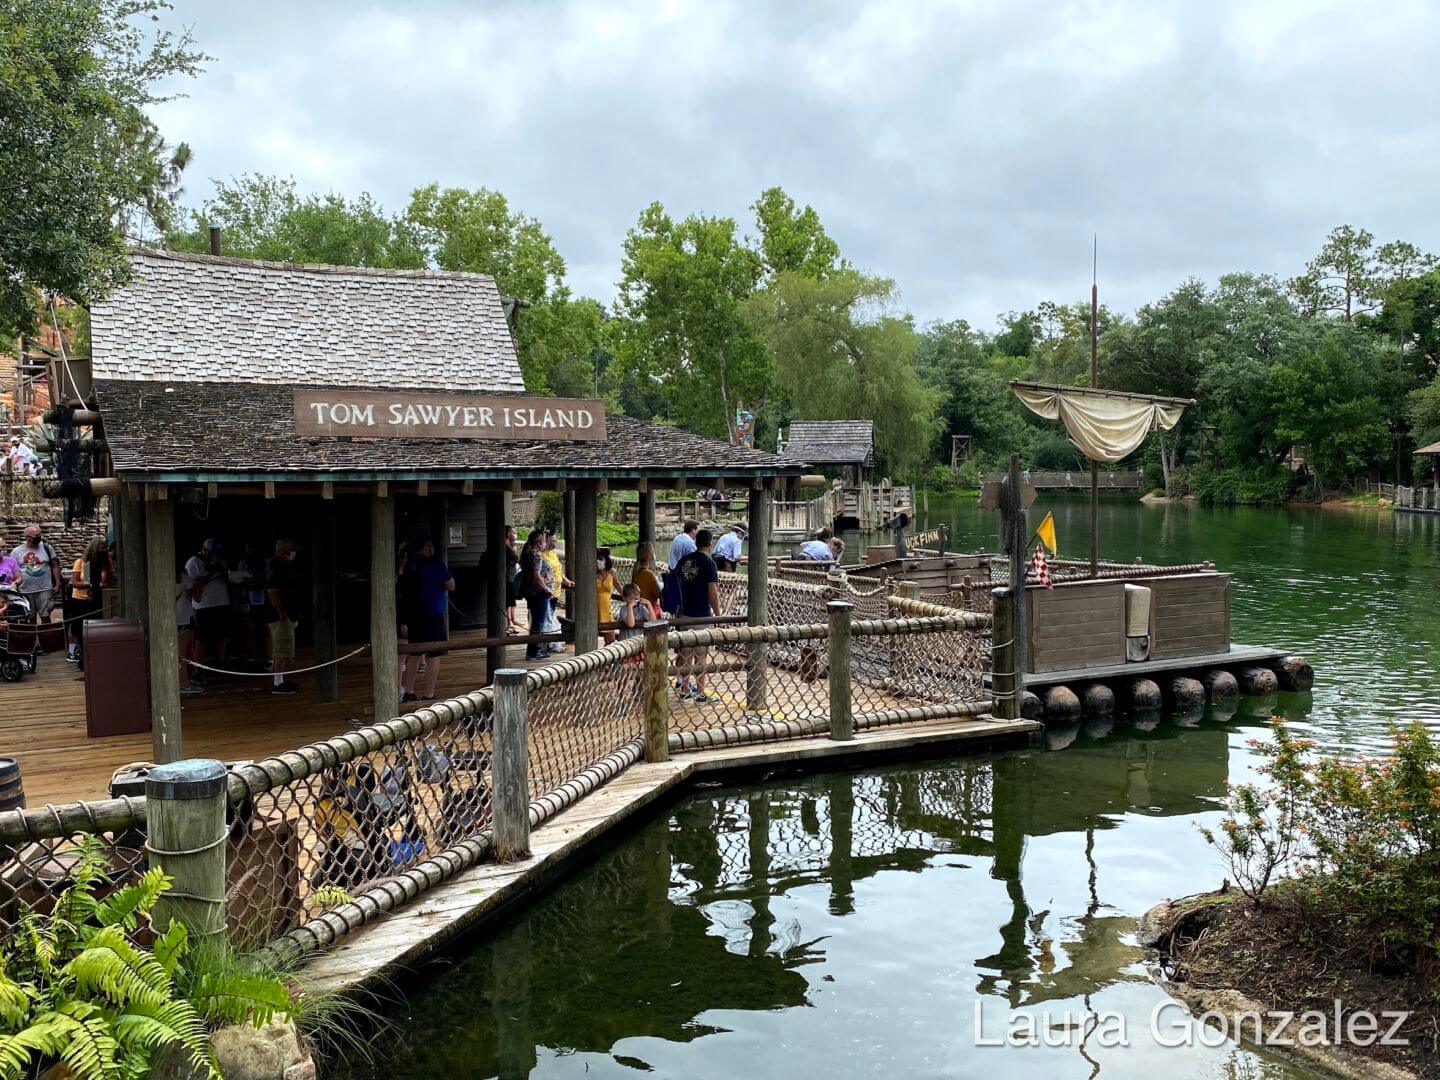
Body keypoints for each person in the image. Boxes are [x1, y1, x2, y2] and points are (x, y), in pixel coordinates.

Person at [402, 537, 454, 701]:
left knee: (415, 653)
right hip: (433, 613)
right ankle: (428, 693)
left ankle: (408, 691)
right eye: (429, 545)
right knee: (435, 654)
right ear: (425, 547)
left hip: (414, 614)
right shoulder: (435, 564)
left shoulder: (408, 564)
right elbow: (452, 585)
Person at [674, 529, 720, 702]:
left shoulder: (684, 560)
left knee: (685, 653)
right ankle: (700, 693)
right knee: (701, 655)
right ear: (710, 543)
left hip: (683, 613)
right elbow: (712, 592)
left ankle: (685, 690)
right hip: (701, 614)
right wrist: (717, 615)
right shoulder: (709, 563)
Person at [184, 538, 231, 675]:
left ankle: (220, 663)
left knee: (222, 635)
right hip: (203, 605)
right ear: (204, 550)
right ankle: (199, 667)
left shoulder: (219, 560)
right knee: (201, 638)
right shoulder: (193, 562)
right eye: (212, 553)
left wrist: (222, 571)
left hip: (222, 602)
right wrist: (210, 575)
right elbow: (192, 584)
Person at [65, 539, 112, 666]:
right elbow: (75, 582)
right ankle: (80, 654)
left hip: (96, 599)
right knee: (78, 628)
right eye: (100, 549)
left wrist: (101, 585)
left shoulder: (105, 564)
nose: (103, 551)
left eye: (104, 549)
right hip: (80, 600)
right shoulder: (80, 563)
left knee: (95, 627)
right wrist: (89, 584)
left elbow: (107, 581)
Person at [265, 538, 302, 695]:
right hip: (280, 617)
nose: (292, 553)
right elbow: (272, 593)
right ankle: (277, 683)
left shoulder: (284, 566)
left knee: (285, 650)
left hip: (287, 615)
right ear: (283, 551)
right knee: (281, 649)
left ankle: (281, 679)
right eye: (290, 550)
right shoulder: (274, 567)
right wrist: (282, 613)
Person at [10, 525, 60, 620]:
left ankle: (46, 635)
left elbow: (55, 566)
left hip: (44, 589)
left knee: (46, 616)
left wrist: (57, 584)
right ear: (28, 538)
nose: (39, 537)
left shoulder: (47, 547)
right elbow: (13, 571)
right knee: (30, 618)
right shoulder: (16, 552)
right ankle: (33, 635)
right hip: (25, 590)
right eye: (36, 535)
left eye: (39, 534)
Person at [518, 530, 552, 661]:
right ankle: (533, 651)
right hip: (538, 593)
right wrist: (546, 589)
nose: (545, 542)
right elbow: (536, 575)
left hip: (531, 592)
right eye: (544, 539)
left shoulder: (528, 553)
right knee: (538, 623)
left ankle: (534, 649)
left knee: (535, 621)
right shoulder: (535, 555)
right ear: (539, 541)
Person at [541, 530, 572, 652]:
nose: (554, 543)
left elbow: (558, 569)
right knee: (548, 618)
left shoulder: (553, 553)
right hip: (546, 591)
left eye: (555, 540)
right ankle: (550, 644)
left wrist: (565, 580)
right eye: (552, 540)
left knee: (549, 617)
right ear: (546, 540)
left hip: (556, 592)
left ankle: (548, 643)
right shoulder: (541, 554)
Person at [175, 567, 202, 695]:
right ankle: (183, 684)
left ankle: (188, 679)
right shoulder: (183, 577)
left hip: (175, 618)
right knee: (182, 653)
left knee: (183, 652)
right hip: (183, 619)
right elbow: (198, 597)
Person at [595, 548, 620, 645]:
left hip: (606, 607)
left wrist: (626, 596)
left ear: (606, 560)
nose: (598, 562)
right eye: (597, 559)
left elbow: (618, 585)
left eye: (601, 559)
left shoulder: (612, 572)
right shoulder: (592, 573)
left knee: (610, 636)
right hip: (595, 607)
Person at [503, 524, 520, 634]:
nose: (515, 535)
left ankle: (511, 622)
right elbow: (516, 557)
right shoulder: (505, 545)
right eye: (513, 532)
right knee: (508, 602)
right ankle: (508, 624)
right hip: (508, 577)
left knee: (510, 602)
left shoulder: (509, 545)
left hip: (510, 576)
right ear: (508, 534)